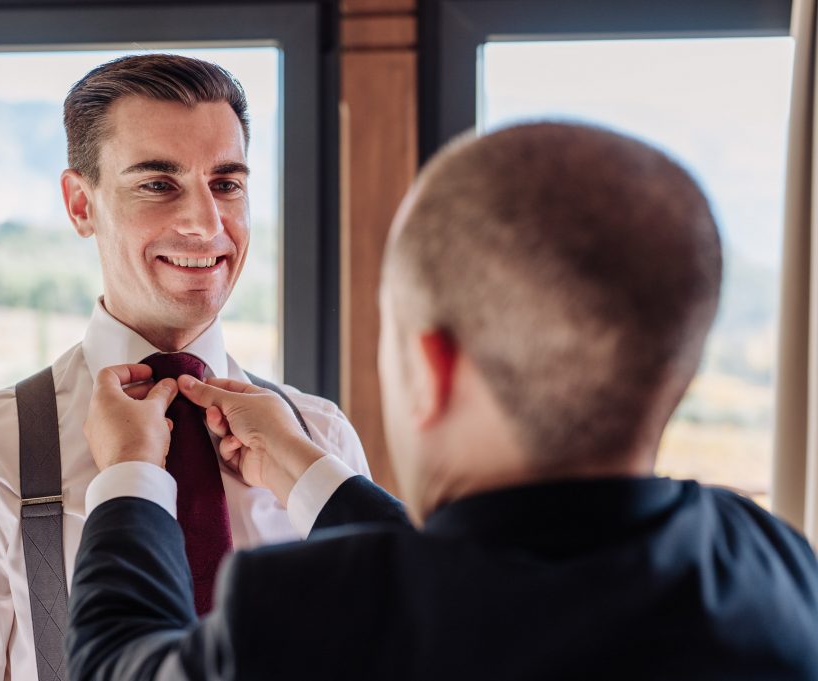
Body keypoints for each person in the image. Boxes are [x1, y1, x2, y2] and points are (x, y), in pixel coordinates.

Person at [67, 122, 818, 680]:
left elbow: (116, 663)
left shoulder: (304, 616)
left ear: (430, 368)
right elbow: (468, 580)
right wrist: (304, 468)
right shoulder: (776, 567)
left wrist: (130, 471)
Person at [0, 54, 370, 681]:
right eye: (158, 184)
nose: (205, 222)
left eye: (226, 183)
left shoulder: (321, 438)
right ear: (80, 205)